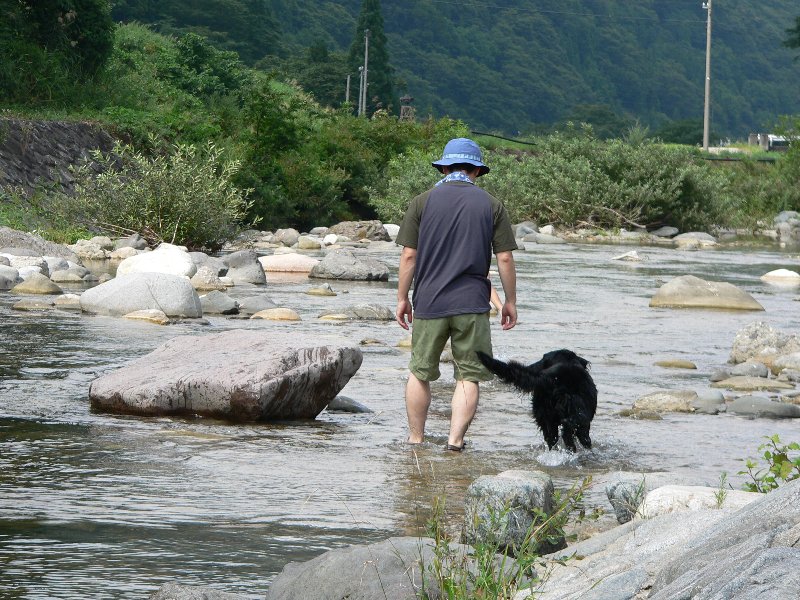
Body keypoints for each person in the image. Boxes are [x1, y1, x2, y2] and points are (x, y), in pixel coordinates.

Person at [395, 137, 518, 451]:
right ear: (477, 171)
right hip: (472, 305)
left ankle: (416, 439)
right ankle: (455, 442)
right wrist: (510, 301)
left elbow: (409, 255)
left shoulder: (421, 202)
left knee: (420, 372)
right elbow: (504, 258)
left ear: (444, 168)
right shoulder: (491, 205)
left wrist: (402, 298)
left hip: (429, 301)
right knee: (468, 376)